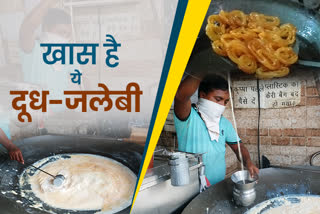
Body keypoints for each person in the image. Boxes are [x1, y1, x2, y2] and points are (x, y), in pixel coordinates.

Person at [174, 73, 259, 186]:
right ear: (202, 95)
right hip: (192, 188)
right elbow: (181, 96)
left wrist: (248, 162)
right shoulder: (189, 117)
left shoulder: (224, 123)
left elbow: (239, 147)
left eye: (225, 102)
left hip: (218, 185)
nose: (222, 105)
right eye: (218, 99)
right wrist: (203, 68)